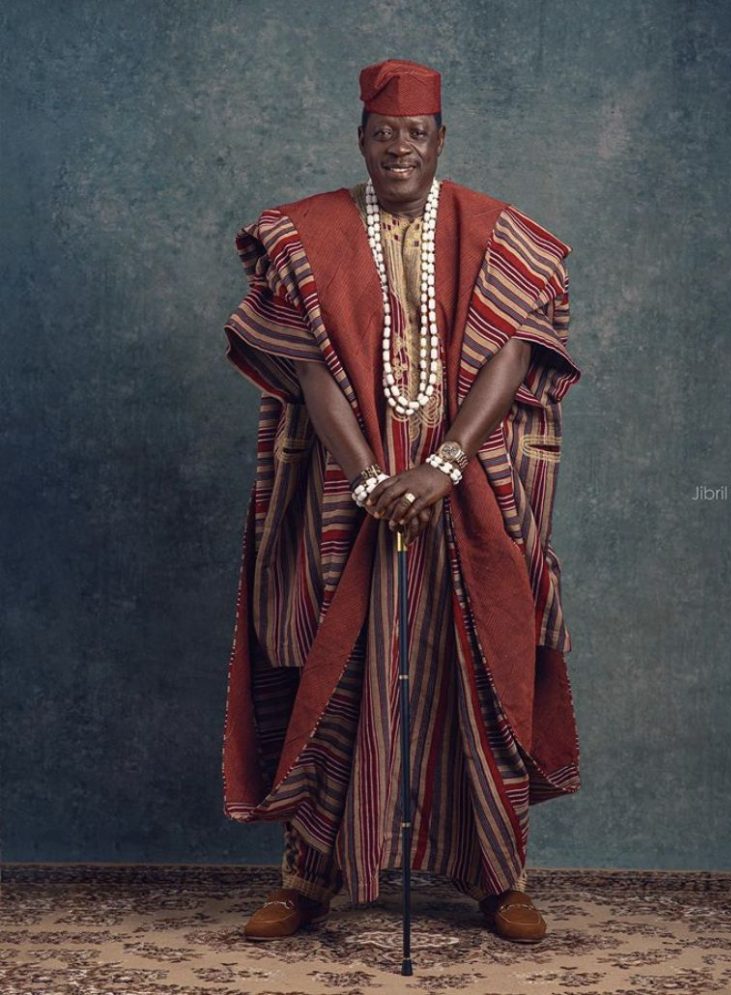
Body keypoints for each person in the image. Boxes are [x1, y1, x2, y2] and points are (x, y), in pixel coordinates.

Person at [221, 58, 582, 944]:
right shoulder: (305, 235)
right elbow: (309, 371)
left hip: (468, 482)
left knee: (484, 663)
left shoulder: (495, 232)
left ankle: (501, 876)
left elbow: (513, 351)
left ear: (441, 139)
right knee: (336, 666)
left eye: (416, 134)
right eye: (384, 134)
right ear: (360, 139)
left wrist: (444, 466)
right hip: (350, 489)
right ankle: (308, 878)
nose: (399, 148)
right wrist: (374, 479)